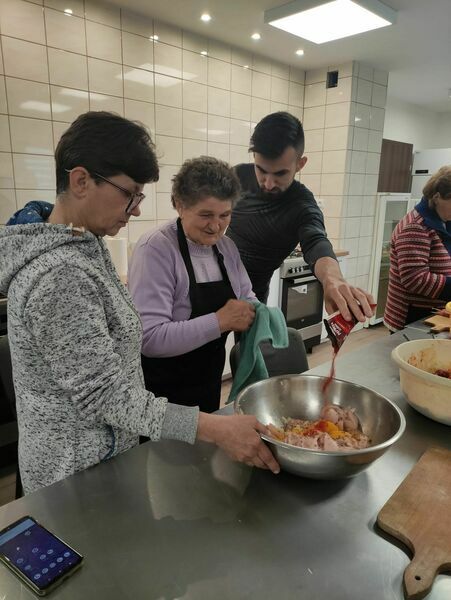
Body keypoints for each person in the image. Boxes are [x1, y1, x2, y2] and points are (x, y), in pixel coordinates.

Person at [0, 112, 279, 494]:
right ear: (81, 181)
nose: (136, 209)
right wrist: (214, 428)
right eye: (129, 193)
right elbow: (108, 396)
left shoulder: (86, 245)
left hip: (110, 454)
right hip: (74, 476)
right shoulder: (59, 275)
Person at [128, 157, 256, 414]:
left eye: (225, 215)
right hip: (162, 394)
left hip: (208, 381)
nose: (216, 226)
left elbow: (246, 296)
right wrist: (219, 321)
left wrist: (262, 315)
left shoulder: (226, 248)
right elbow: (149, 338)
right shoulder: (156, 248)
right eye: (206, 215)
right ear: (179, 204)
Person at [227, 111, 375, 322]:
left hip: (254, 295)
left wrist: (332, 278)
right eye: (261, 170)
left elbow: (316, 241)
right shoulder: (238, 175)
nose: (268, 183)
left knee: (249, 353)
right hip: (210, 283)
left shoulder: (302, 205)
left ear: (300, 164)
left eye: (280, 174)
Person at [384, 166, 451, 331]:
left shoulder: (444, 220)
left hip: (435, 313)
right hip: (412, 316)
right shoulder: (415, 227)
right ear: (437, 197)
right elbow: (415, 279)